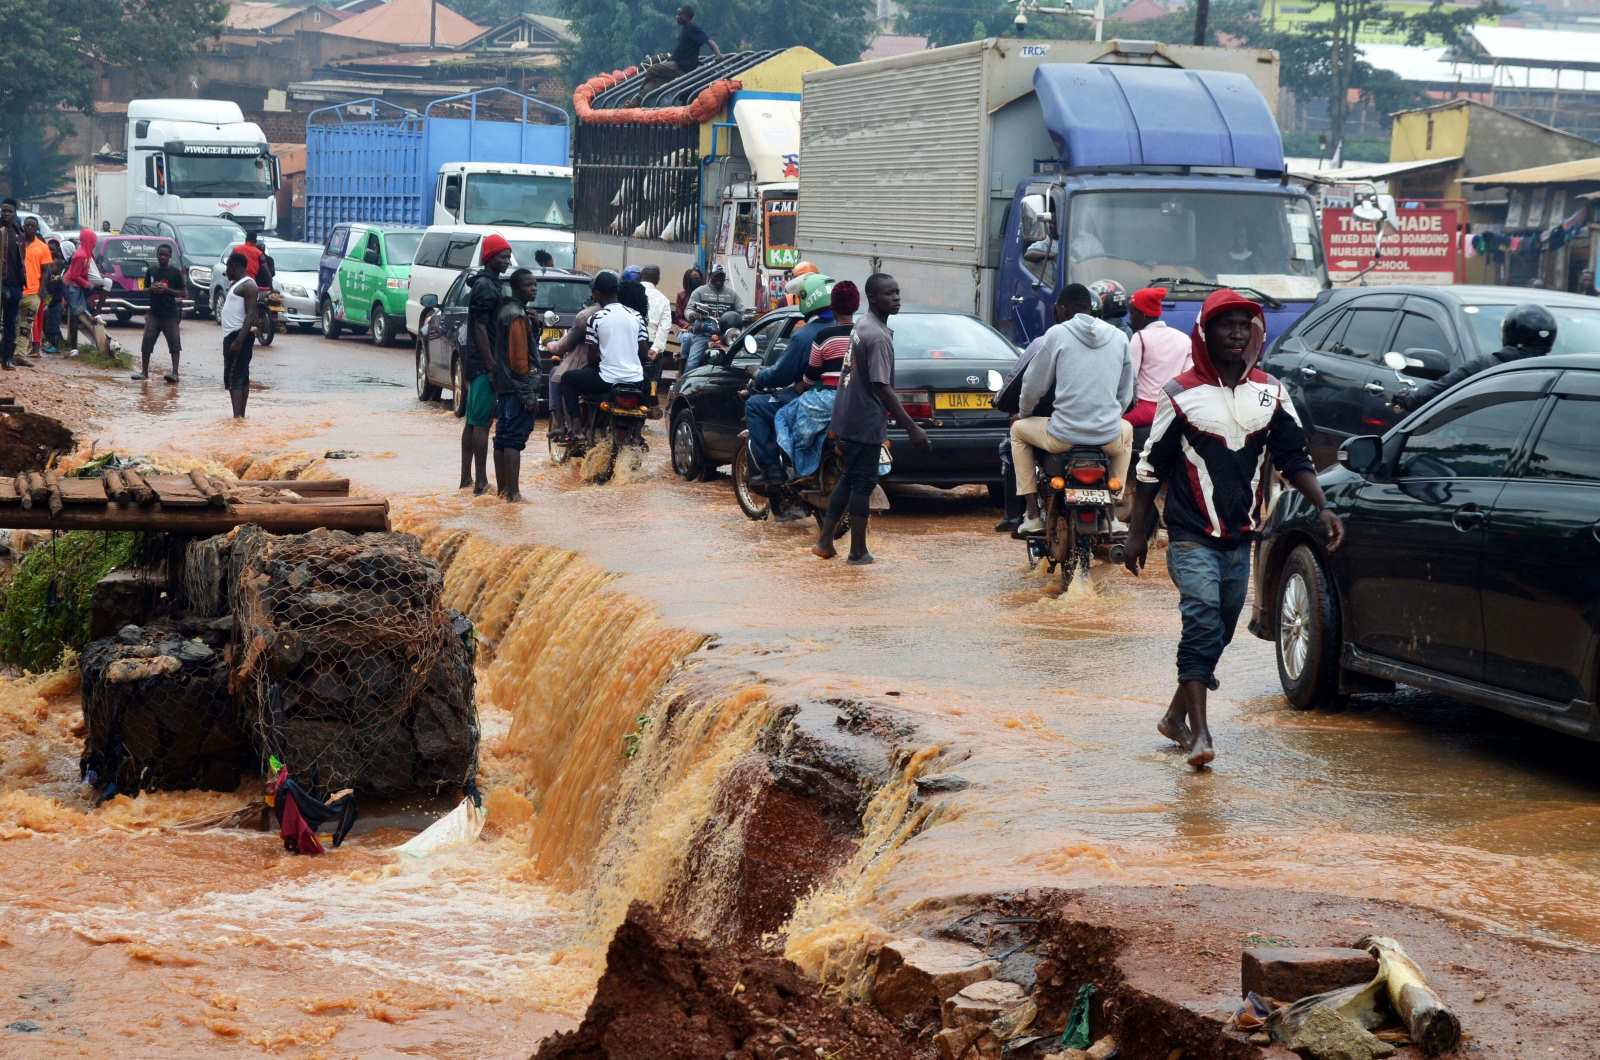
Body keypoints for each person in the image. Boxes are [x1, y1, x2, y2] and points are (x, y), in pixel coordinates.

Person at [1125, 288, 1343, 770]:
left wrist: (1323, 506)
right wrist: (1138, 531)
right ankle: (1201, 734)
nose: (1238, 334)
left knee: (1220, 628)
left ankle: (1174, 717)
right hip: (1189, 535)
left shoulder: (1271, 392)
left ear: (1256, 335)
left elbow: (1294, 458)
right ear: (1205, 334)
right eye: (1227, 325)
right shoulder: (1180, 394)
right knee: (1201, 619)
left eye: (1246, 326)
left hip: (1241, 538)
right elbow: (1150, 468)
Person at [813, 273, 930, 564]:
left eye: (898, 292)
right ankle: (857, 551)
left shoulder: (862, 326)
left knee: (850, 480)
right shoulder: (876, 336)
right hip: (863, 420)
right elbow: (882, 387)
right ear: (873, 298)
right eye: (890, 294)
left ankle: (825, 542)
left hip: (848, 416)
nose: (896, 298)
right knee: (863, 484)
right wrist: (912, 427)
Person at [1010, 284, 1134, 534]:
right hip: (1107, 436)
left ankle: (1032, 514)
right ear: (1091, 307)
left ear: (1062, 308)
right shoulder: (1120, 337)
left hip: (1062, 437)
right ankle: (1114, 511)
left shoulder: (1056, 334)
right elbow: (1125, 392)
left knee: (1018, 431)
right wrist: (1111, 416)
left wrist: (1024, 412)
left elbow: (1034, 384)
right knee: (1127, 430)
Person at [991, 295, 1074, 532]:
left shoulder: (1044, 343)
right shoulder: (1113, 341)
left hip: (1051, 426)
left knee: (1013, 439)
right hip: (1102, 429)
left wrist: (1020, 412)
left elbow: (1022, 384)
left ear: (1059, 311)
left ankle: (1024, 514)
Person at [747, 273, 834, 483]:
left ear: (808, 299)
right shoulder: (848, 329)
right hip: (846, 401)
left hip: (813, 399)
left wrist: (757, 374)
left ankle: (772, 471)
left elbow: (780, 374)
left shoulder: (805, 336)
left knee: (755, 405)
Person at [1393, 303, 1557, 412]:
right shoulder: (1558, 374)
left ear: (1511, 332)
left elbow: (1438, 390)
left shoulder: (1484, 366)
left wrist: (1407, 398)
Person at [775, 280, 858, 484]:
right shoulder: (864, 335)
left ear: (834, 306)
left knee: (783, 417)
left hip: (828, 399)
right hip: (859, 401)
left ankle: (799, 469)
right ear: (856, 305)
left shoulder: (823, 336)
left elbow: (811, 375)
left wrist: (802, 385)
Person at [557, 270, 645, 425]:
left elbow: (592, 357)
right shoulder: (636, 316)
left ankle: (576, 428)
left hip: (606, 380)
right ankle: (637, 434)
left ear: (597, 293)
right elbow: (643, 352)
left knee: (567, 379)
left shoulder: (595, 318)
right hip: (636, 381)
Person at [461, 234, 513, 494]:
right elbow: (481, 328)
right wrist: (491, 364)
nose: (507, 261)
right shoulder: (485, 286)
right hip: (483, 364)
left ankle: (466, 479)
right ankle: (480, 481)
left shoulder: (491, 283)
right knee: (481, 423)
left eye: (508, 256)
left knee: (472, 421)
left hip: (478, 362)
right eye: (503, 256)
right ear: (490, 257)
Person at [489, 269, 541, 502]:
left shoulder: (510, 311)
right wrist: (526, 391)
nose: (534, 288)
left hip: (505, 385)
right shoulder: (516, 315)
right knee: (513, 439)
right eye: (529, 285)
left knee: (502, 436)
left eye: (535, 284)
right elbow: (520, 360)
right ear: (517, 288)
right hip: (516, 386)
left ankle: (503, 493)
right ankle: (514, 494)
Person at [1123, 287, 1192, 429]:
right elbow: (1188, 376)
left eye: (1132, 313)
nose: (1130, 318)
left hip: (1145, 408)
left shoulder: (1140, 337)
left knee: (1109, 425)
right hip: (1173, 409)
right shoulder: (1184, 338)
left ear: (1143, 314)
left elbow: (1129, 378)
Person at [546, 292, 602, 437]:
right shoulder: (630, 314)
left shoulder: (586, 316)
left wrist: (548, 343)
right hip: (620, 372)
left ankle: (562, 424)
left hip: (585, 366)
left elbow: (563, 345)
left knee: (556, 374)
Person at [639, 6, 723, 93]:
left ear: (685, 16)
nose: (677, 17)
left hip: (682, 67)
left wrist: (718, 55)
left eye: (679, 15)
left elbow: (709, 41)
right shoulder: (686, 28)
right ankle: (640, 97)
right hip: (677, 64)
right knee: (659, 79)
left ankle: (640, 91)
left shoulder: (692, 28)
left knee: (652, 69)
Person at [134, 243, 185, 383]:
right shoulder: (151, 271)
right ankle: (144, 372)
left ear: (170, 256)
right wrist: (152, 289)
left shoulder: (175, 273)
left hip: (170, 314)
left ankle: (175, 373)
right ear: (157, 255)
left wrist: (167, 290)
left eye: (165, 255)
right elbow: (144, 289)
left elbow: (183, 293)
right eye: (160, 254)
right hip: (154, 313)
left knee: (175, 344)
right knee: (147, 342)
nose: (162, 257)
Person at [61, 228, 113, 363]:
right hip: (72, 287)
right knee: (79, 314)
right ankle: (77, 347)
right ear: (89, 240)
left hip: (77, 286)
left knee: (79, 315)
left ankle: (78, 346)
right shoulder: (81, 255)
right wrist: (87, 284)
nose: (95, 243)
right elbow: (74, 275)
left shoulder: (87, 254)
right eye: (93, 240)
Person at [218, 251, 259, 418]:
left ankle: (237, 419)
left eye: (227, 267)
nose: (226, 271)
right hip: (232, 336)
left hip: (238, 337)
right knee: (242, 376)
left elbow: (251, 315)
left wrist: (238, 342)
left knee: (235, 379)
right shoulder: (238, 285)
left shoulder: (248, 285)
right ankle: (241, 416)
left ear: (234, 267)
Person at [682, 263, 740, 371]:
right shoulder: (699, 291)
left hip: (726, 337)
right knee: (692, 364)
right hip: (703, 334)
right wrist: (692, 315)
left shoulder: (732, 294)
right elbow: (688, 309)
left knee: (737, 363)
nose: (719, 279)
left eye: (721, 276)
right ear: (710, 276)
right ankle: (684, 383)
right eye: (716, 276)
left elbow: (741, 311)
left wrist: (745, 317)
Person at [18, 217, 52, 364]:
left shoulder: (43, 247)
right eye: (27, 225)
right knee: (11, 323)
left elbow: (46, 271)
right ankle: (8, 352)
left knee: (26, 325)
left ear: (37, 228)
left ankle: (19, 355)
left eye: (32, 226)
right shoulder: (16, 243)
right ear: (23, 227)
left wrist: (42, 289)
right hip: (15, 290)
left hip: (33, 293)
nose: (29, 228)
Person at [0, 201, 24, 369]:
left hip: (16, 284)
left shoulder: (18, 233)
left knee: (10, 323)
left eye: (9, 211)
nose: (5, 214)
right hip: (2, 282)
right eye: (3, 211)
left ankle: (7, 357)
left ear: (15, 213)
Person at [639, 264, 674, 372]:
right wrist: (656, 348)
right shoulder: (663, 300)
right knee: (650, 382)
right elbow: (665, 327)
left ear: (641, 276)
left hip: (630, 343)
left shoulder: (628, 293)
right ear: (658, 280)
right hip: (651, 343)